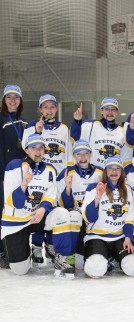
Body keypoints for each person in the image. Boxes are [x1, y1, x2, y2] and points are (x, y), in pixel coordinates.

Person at [1, 134, 77, 279]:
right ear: (26, 150)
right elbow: (14, 203)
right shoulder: (14, 166)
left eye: (41, 148)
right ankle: (25, 250)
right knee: (20, 270)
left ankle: (62, 256)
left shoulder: (50, 170)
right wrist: (24, 184)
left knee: (62, 213)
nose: (38, 151)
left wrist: (42, 209)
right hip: (15, 222)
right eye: (33, 148)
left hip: (37, 217)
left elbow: (50, 195)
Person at [22, 94, 73, 262]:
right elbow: (25, 147)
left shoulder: (64, 128)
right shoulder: (31, 126)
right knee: (39, 208)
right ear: (40, 109)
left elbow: (68, 153)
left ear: (56, 109)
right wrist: (37, 131)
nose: (49, 110)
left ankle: (50, 244)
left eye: (52, 107)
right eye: (45, 107)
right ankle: (36, 246)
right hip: (39, 175)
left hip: (57, 177)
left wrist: (67, 173)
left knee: (54, 211)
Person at [81, 155, 134, 278]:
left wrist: (128, 237)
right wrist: (98, 197)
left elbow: (129, 218)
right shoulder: (93, 188)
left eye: (117, 168)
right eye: (110, 168)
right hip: (96, 236)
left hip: (119, 237)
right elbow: (88, 218)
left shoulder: (128, 190)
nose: (114, 171)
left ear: (121, 172)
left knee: (133, 267)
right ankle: (105, 259)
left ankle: (111, 258)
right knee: (96, 269)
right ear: (106, 171)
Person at [57, 140, 103, 269]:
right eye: (79, 154)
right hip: (75, 216)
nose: (83, 158)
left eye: (86, 153)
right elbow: (65, 204)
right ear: (74, 156)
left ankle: (106, 253)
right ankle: (68, 255)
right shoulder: (66, 173)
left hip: (93, 215)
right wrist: (67, 188)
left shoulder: (100, 172)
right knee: (74, 216)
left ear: (91, 154)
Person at [0, 84, 27, 268]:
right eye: (9, 97)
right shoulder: (1, 119)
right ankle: (2, 251)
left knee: (14, 210)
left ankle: (13, 249)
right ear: (4, 100)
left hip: (18, 174)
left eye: (16, 97)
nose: (12, 100)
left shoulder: (23, 122)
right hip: (3, 174)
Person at [70, 98, 132, 169]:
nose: (110, 112)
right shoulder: (90, 125)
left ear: (117, 112)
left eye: (113, 109)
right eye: (107, 109)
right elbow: (74, 139)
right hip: (93, 175)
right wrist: (77, 121)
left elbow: (125, 158)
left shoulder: (123, 131)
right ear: (101, 111)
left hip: (112, 176)